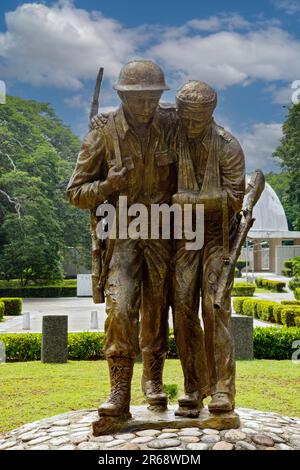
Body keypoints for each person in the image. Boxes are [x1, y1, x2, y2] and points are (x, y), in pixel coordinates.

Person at [67, 60, 177, 419]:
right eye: (137, 99)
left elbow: (202, 124)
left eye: (152, 98)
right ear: (122, 96)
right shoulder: (102, 134)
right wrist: (107, 186)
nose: (146, 107)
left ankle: (154, 381)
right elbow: (75, 192)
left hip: (163, 231)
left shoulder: (171, 125)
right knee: (120, 309)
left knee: (157, 310)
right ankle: (118, 391)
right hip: (121, 233)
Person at [172, 81, 245, 414]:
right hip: (185, 236)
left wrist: (191, 201)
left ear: (210, 114)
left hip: (219, 236)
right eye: (185, 118)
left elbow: (234, 199)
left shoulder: (229, 147)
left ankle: (222, 389)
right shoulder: (173, 136)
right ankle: (192, 387)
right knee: (183, 306)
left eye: (197, 120)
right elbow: (142, 113)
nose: (189, 126)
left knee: (215, 307)